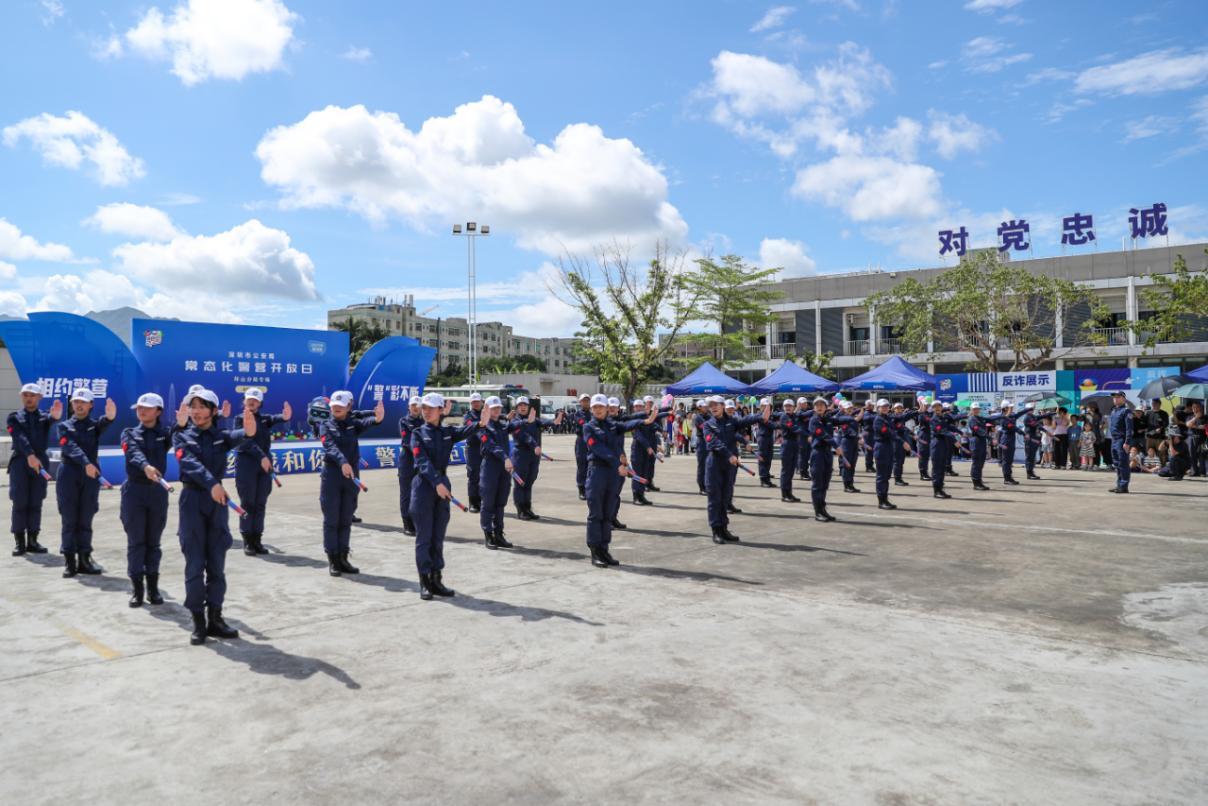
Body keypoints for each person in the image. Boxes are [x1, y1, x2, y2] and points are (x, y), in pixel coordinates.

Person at [173, 389, 256, 645]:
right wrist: (212, 484)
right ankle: (198, 622)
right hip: (193, 501)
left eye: (201, 406)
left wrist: (250, 430)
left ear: (213, 410)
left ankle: (216, 618)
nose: (196, 411)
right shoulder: (181, 436)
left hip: (217, 504)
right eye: (192, 406)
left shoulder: (222, 437)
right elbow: (190, 464)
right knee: (195, 564)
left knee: (217, 564)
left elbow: (243, 436)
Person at [410, 393, 482, 599]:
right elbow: (421, 461)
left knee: (438, 536)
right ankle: (424, 580)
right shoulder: (417, 433)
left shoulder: (447, 432)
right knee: (424, 537)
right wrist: (436, 483)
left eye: (431, 407)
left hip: (442, 486)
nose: (427, 411)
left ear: (441, 410)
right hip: (424, 486)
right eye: (424, 407)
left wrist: (481, 423)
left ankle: (436, 579)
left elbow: (466, 430)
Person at [319, 391, 385, 576]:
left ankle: (343, 557)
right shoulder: (325, 425)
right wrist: (342, 462)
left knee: (346, 517)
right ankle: (333, 559)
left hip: (351, 476)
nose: (336, 408)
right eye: (334, 405)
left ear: (349, 407)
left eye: (341, 405)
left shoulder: (352, 424)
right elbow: (329, 446)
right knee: (332, 518)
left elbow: (368, 422)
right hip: (332, 474)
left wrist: (378, 419)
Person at [56, 388, 117, 577]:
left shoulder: (94, 425)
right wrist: (86, 463)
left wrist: (111, 417)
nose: (79, 405)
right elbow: (70, 446)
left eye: (83, 402)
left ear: (91, 405)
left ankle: (84, 559)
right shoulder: (64, 426)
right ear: (72, 405)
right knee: (69, 518)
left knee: (86, 516)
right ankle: (69, 561)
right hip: (69, 473)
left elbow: (105, 423)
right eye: (76, 402)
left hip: (90, 476)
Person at [120, 392, 173, 607]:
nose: (142, 411)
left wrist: (181, 423)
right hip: (134, 491)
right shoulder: (129, 433)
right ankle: (137, 589)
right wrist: (145, 466)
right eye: (139, 407)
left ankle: (153, 587)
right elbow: (132, 452)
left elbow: (183, 436)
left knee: (153, 542)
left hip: (157, 492)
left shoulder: (166, 434)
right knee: (136, 541)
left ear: (158, 411)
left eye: (147, 408)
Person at [702, 396, 770, 543]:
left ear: (722, 406)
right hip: (714, 464)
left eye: (716, 405)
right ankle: (716, 530)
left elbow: (745, 420)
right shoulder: (707, 424)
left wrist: (761, 416)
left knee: (725, 497)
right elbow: (713, 442)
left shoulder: (731, 421)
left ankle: (724, 528)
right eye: (711, 405)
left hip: (729, 466)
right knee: (715, 499)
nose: (713, 407)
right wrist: (728, 454)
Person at [233, 388, 291, 557]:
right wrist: (261, 456)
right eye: (249, 399)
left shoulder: (265, 419)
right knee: (248, 503)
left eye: (255, 400)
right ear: (244, 401)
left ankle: (257, 540)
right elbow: (244, 442)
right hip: (247, 465)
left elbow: (277, 418)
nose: (252, 402)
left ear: (260, 403)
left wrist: (286, 416)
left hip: (264, 466)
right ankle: (247, 541)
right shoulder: (239, 419)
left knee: (260, 503)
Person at [8, 382, 62, 557]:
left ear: (39, 397)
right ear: (21, 396)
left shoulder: (44, 417)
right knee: (19, 501)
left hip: (40, 462)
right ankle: (19, 542)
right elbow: (19, 437)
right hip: (20, 462)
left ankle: (33, 540)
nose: (29, 398)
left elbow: (52, 420)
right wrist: (30, 455)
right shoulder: (14, 417)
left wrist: (55, 417)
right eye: (25, 395)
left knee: (36, 501)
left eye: (32, 395)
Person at [510, 396, 563, 520]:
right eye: (520, 405)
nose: (523, 407)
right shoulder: (514, 422)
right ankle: (521, 510)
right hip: (520, 456)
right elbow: (524, 436)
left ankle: (528, 509)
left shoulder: (534, 420)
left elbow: (544, 423)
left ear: (528, 407)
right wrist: (535, 445)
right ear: (517, 408)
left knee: (529, 482)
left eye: (525, 405)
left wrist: (555, 421)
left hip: (533, 456)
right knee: (520, 483)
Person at [476, 396, 516, 550]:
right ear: (486, 409)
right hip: (490, 467)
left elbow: (515, 427)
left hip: (503, 468)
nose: (497, 410)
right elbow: (491, 445)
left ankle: (499, 534)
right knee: (488, 503)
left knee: (500, 502)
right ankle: (488, 534)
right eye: (493, 408)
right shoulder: (483, 426)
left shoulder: (502, 424)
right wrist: (505, 457)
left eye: (498, 408)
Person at [808, 397, 854, 521]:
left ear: (826, 407)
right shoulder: (813, 420)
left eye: (822, 404)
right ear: (814, 407)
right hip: (817, 453)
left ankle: (823, 509)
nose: (819, 406)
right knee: (818, 483)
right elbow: (823, 435)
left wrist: (851, 417)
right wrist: (836, 446)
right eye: (817, 405)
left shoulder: (828, 418)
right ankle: (818, 512)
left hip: (827, 453)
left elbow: (839, 420)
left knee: (825, 483)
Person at [397, 396, 423, 535]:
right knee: (406, 493)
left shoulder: (425, 422)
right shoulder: (404, 421)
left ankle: (417, 520)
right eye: (413, 405)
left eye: (418, 405)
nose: (416, 408)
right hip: (407, 461)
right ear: (409, 406)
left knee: (419, 493)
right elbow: (408, 441)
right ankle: (407, 522)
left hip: (421, 462)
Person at [929, 400, 962, 499]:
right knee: (937, 468)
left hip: (943, 444)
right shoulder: (934, 419)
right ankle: (937, 490)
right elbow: (942, 431)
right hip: (937, 444)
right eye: (935, 406)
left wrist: (959, 431)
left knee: (942, 468)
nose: (938, 408)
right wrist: (954, 440)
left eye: (939, 406)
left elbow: (949, 426)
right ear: (933, 408)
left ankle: (941, 488)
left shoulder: (942, 417)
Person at [773, 398, 804, 503]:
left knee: (791, 471)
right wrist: (807, 434)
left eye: (790, 406)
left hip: (795, 443)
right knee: (786, 471)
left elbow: (801, 415)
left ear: (793, 407)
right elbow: (794, 428)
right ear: (783, 407)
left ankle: (789, 493)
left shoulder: (793, 415)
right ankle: (784, 494)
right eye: (786, 406)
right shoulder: (784, 417)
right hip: (787, 444)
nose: (788, 408)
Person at [462, 392, 485, 512]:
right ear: (471, 403)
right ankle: (473, 502)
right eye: (473, 402)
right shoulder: (468, 416)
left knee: (484, 476)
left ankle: (482, 500)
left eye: (477, 401)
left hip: (485, 448)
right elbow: (474, 430)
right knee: (473, 476)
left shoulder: (486, 414)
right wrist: (484, 437)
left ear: (482, 402)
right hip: (473, 449)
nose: (476, 404)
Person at [1108, 390, 1133, 493]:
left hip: (1122, 440)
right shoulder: (1113, 410)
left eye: (1118, 397)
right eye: (1114, 397)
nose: (1115, 398)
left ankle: (1124, 486)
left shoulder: (1126, 411)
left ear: (1124, 398)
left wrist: (1127, 442)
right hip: (1114, 440)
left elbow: (1129, 428)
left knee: (1123, 463)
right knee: (1117, 463)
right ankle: (1119, 484)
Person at [836, 400, 862, 493]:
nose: (850, 410)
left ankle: (851, 484)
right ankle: (846, 485)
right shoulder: (842, 418)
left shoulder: (851, 417)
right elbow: (848, 431)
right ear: (844, 409)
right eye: (848, 408)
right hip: (846, 442)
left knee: (853, 464)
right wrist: (858, 437)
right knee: (846, 465)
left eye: (851, 408)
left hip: (854, 442)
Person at [570, 393, 592, 500]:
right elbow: (584, 424)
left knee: (591, 466)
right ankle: (581, 489)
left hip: (592, 442)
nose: (586, 402)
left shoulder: (593, 414)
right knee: (582, 466)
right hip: (582, 441)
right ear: (580, 402)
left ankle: (589, 488)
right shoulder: (577, 414)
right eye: (584, 401)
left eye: (587, 400)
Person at [996, 400, 1021, 485]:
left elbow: (1018, 415)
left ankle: (1009, 477)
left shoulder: (1011, 416)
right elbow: (1012, 427)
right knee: (1006, 460)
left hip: (1011, 439)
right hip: (1006, 440)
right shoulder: (1003, 418)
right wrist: (1023, 433)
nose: (1012, 408)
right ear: (1005, 408)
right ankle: (1007, 478)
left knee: (1009, 460)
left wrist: (1029, 409)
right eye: (1010, 407)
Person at [890, 402, 916, 486]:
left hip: (902, 441)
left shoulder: (901, 418)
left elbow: (903, 427)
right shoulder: (892, 417)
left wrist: (912, 434)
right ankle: (897, 479)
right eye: (897, 408)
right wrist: (917, 411)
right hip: (896, 442)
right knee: (897, 461)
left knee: (901, 461)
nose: (899, 409)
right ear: (894, 409)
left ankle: (899, 478)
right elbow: (904, 417)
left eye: (900, 408)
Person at [755, 397, 776, 488]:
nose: (768, 408)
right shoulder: (760, 415)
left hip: (769, 438)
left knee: (769, 458)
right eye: (765, 406)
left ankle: (767, 477)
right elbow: (770, 424)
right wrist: (781, 425)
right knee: (763, 458)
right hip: (763, 438)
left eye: (769, 406)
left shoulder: (770, 415)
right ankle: (763, 479)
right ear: (761, 407)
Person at [1020, 403, 1043, 480]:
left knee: (1032, 456)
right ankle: (1029, 473)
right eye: (1030, 409)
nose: (1032, 410)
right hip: (1029, 439)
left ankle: (1031, 472)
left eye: (1032, 408)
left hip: (1034, 438)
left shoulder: (1032, 416)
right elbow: (1035, 424)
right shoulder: (1027, 417)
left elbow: (1040, 417)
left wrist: (1051, 413)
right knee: (1029, 456)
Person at [692, 399, 710, 495]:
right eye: (703, 406)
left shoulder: (708, 416)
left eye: (706, 406)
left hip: (709, 442)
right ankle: (702, 487)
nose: (706, 407)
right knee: (702, 466)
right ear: (699, 407)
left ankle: (707, 486)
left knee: (709, 466)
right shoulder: (698, 417)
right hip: (702, 442)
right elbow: (706, 426)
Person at [1144, 399, 1170, 465]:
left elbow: (1166, 424)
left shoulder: (1164, 413)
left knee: (1161, 453)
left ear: (1159, 404)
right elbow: (1144, 423)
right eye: (1153, 403)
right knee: (1149, 452)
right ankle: (1150, 467)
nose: (1154, 405)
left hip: (1160, 437)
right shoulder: (1148, 413)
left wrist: (1161, 428)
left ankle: (1162, 467)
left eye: (1155, 403)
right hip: (1149, 437)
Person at [915, 397, 933, 481]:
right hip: (923, 436)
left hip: (928, 436)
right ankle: (923, 474)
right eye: (925, 405)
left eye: (927, 405)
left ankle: (925, 472)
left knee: (926, 456)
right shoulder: (921, 415)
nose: (926, 406)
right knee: (922, 456)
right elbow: (929, 420)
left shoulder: (929, 414)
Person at [795, 396, 812, 481]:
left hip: (808, 437)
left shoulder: (808, 412)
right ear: (799, 404)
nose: (804, 404)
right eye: (802, 403)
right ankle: (802, 473)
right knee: (803, 456)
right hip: (802, 437)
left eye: (805, 403)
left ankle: (805, 472)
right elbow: (803, 415)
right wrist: (814, 410)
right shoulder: (798, 413)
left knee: (807, 456)